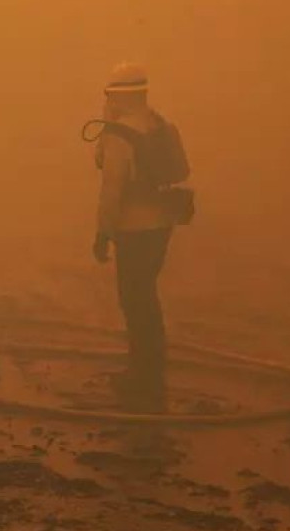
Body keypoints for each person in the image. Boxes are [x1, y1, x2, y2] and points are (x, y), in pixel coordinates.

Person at [91, 62, 190, 412]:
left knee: (133, 299)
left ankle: (142, 375)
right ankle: (152, 367)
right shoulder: (158, 124)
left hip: (133, 229)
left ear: (117, 96)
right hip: (162, 224)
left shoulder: (119, 135)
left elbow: (111, 189)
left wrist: (103, 234)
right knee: (147, 295)